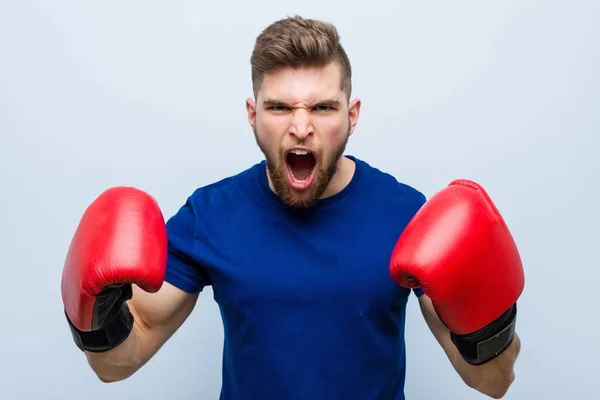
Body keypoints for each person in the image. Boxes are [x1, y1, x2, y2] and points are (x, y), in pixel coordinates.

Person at [61, 16, 524, 399]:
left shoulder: (407, 215)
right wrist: (99, 315)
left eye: (322, 108)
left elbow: (491, 381)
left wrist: (491, 326)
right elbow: (118, 364)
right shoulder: (211, 214)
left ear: (352, 115)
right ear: (253, 114)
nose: (301, 127)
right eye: (280, 107)